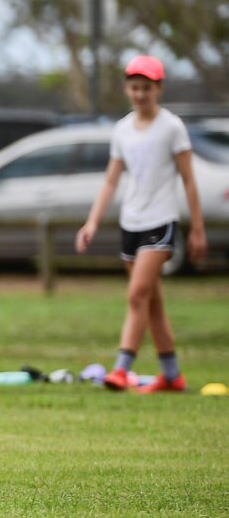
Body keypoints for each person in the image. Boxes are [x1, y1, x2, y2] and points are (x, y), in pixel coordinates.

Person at [76, 55, 207, 393]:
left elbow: (189, 180)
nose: (139, 94)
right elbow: (110, 181)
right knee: (151, 302)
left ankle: (121, 368)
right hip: (130, 222)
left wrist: (197, 229)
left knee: (137, 295)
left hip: (160, 220)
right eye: (134, 87)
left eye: (146, 88)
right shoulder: (122, 130)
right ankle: (172, 375)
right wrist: (92, 222)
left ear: (158, 88)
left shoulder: (172, 127)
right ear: (126, 89)